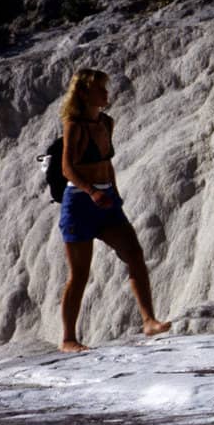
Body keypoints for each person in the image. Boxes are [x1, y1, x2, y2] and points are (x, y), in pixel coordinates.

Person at [57, 68, 171, 352]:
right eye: (100, 89)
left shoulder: (106, 122)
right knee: (79, 274)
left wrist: (113, 194)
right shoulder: (74, 123)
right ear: (83, 93)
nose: (106, 93)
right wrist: (92, 191)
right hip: (80, 203)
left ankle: (149, 321)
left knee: (134, 254)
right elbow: (66, 168)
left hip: (106, 201)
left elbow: (107, 164)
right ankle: (68, 338)